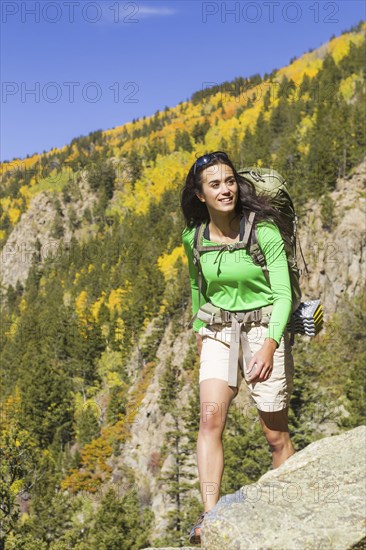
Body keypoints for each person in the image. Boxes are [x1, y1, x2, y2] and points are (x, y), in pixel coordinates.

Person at [180, 151, 296, 545]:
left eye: (229, 181)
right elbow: (198, 286)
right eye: (214, 184)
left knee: (274, 435)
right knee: (209, 421)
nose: (225, 189)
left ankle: (286, 509)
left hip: (265, 328)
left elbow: (283, 295)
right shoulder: (193, 238)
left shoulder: (263, 231)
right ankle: (210, 518)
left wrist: (269, 347)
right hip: (219, 332)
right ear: (200, 194)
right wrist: (200, 327)